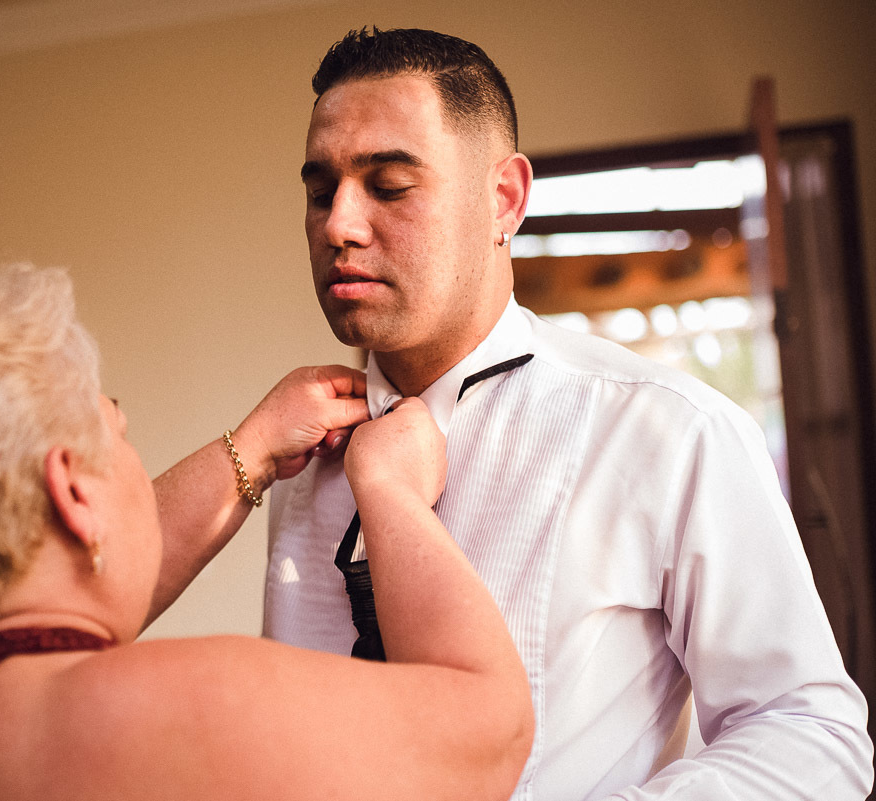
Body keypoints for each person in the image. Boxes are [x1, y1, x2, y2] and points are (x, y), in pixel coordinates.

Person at [255, 26, 871, 800]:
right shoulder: (299, 458)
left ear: (504, 199)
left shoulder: (666, 432)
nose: (338, 225)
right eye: (320, 190)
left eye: (387, 184)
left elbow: (810, 730)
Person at [0, 265, 533, 801]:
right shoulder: (125, 711)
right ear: (75, 493)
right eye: (119, 433)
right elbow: (489, 733)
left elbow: (66, 597)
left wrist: (255, 448)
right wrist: (392, 491)